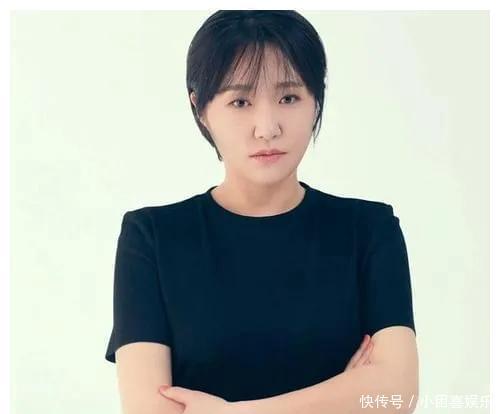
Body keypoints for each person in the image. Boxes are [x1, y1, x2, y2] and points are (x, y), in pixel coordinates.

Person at [104, 10, 418, 413]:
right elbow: (149, 409)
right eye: (240, 101)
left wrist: (235, 412)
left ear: (316, 99)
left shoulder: (369, 229)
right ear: (200, 108)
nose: (267, 127)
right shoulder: (152, 237)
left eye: (289, 98)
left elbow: (396, 394)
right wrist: (343, 395)